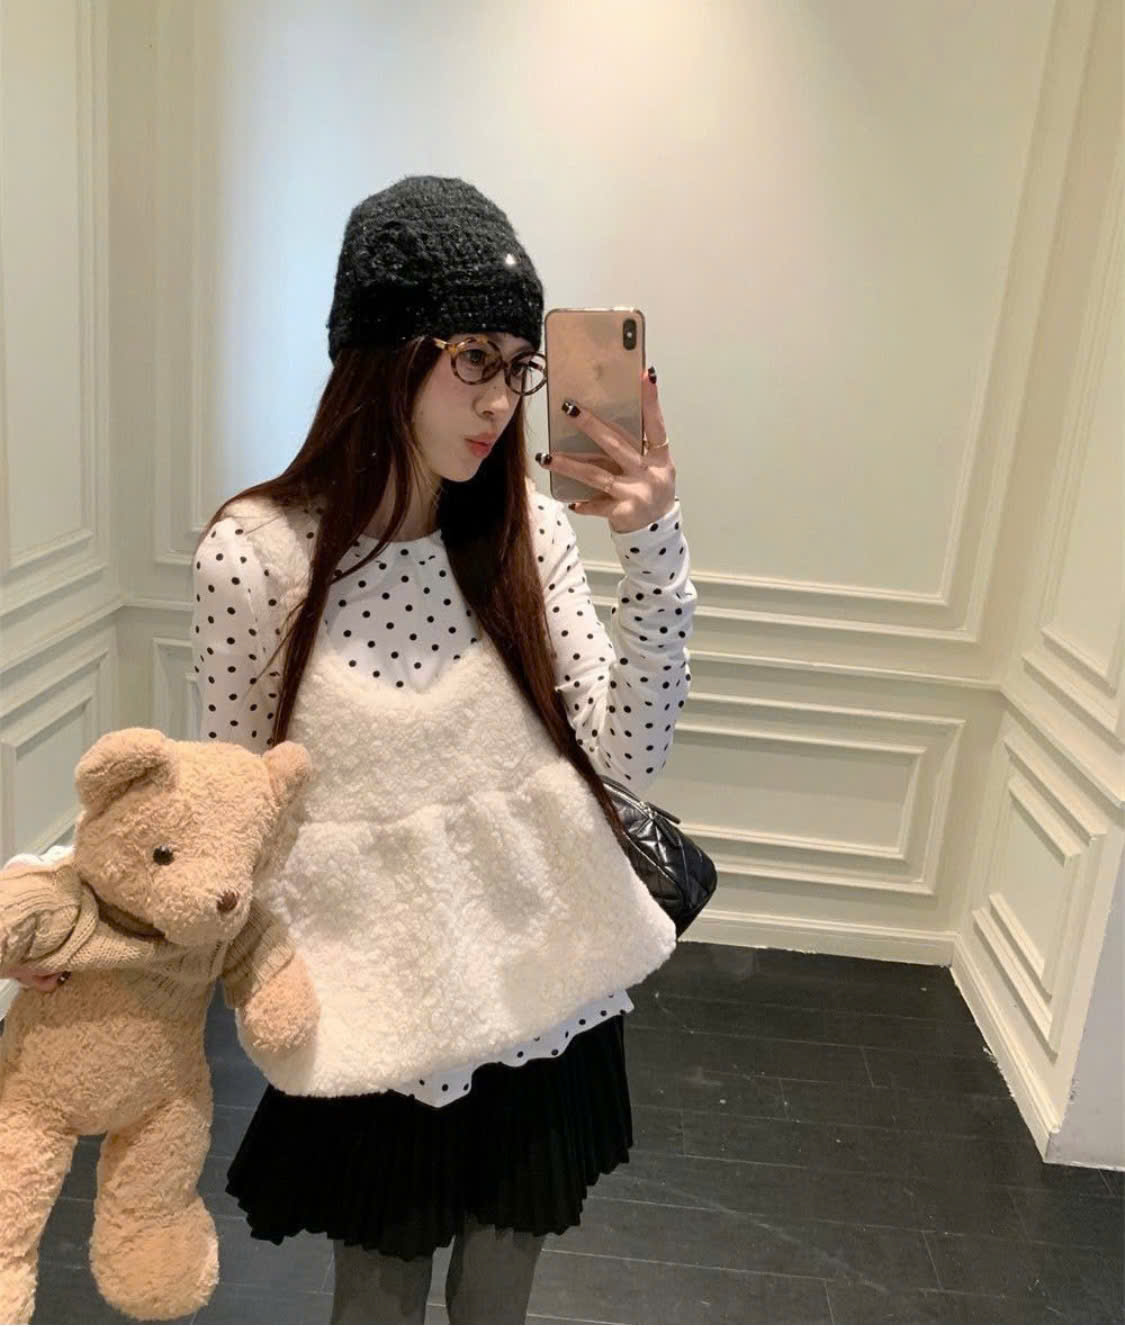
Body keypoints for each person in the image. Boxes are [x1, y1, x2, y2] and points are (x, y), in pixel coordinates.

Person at [4, 174, 698, 1325]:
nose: (500, 398)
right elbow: (221, 806)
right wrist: (70, 905)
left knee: (497, 1301)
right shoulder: (259, 554)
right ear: (383, 353)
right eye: (471, 358)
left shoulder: (524, 531)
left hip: (545, 982)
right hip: (377, 1002)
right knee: (375, 1299)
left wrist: (655, 547)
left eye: (518, 366)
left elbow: (628, 756)